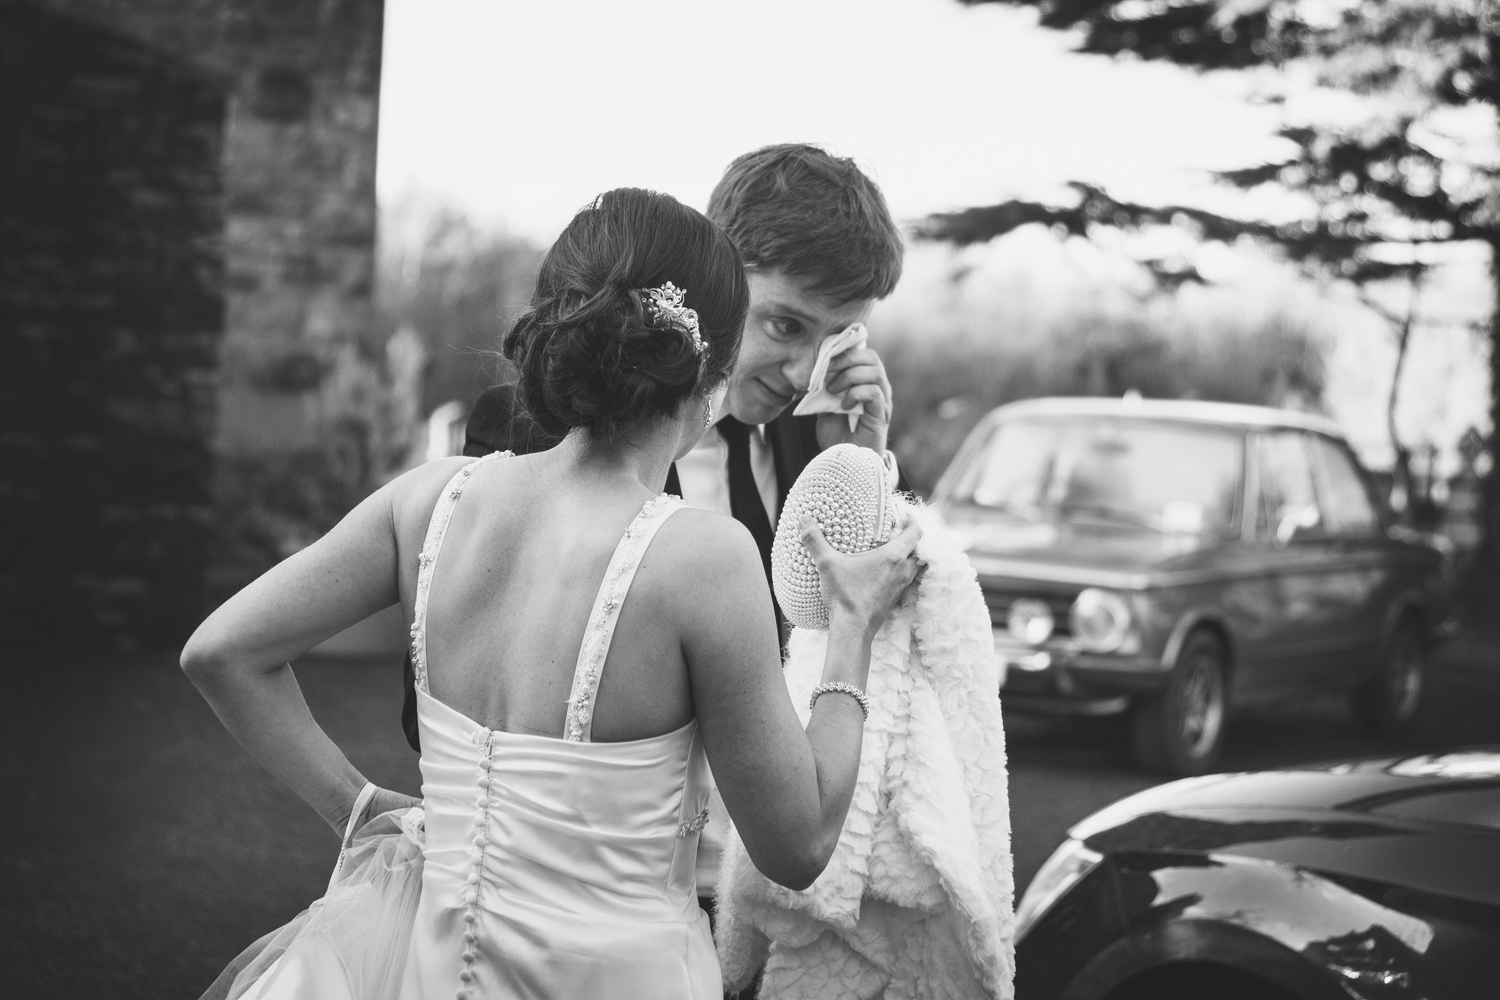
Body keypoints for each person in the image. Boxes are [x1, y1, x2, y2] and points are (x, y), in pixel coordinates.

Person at [183, 187, 922, 1000]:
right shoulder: (706, 557)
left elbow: (220, 652)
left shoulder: (424, 499)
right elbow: (799, 845)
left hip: (423, 969)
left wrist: (352, 807)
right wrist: (853, 621)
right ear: (709, 368)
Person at [451, 145, 908, 917]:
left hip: (767, 907)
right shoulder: (532, 431)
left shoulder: (821, 448)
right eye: (785, 325)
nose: (804, 373)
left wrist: (861, 471)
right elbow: (449, 700)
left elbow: (866, 670)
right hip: (571, 904)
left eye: (837, 339)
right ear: (720, 280)